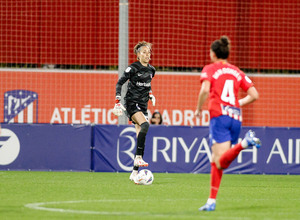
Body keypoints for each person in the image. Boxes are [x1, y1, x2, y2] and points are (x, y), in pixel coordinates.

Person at [194, 36, 261, 211]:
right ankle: (211, 201)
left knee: (219, 162)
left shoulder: (210, 68)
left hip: (219, 116)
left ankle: (245, 143)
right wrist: (238, 104)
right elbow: (254, 94)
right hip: (236, 117)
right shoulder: (237, 71)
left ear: (214, 54)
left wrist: (198, 108)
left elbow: (204, 90)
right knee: (218, 161)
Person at [113, 41, 156, 182]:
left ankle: (134, 173)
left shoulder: (152, 70)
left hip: (143, 106)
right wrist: (118, 100)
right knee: (145, 125)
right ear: (138, 55)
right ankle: (138, 158)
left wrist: (150, 94)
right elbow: (120, 83)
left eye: (148, 52)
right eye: (144, 52)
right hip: (132, 104)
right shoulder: (133, 68)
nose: (147, 54)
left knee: (141, 137)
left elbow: (147, 85)